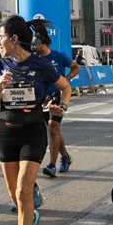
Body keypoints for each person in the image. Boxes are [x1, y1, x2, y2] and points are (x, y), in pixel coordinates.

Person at [0, 15, 71, 225]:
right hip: (6, 132)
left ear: (13, 39)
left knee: (24, 191)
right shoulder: (1, 65)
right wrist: (0, 88)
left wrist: (62, 108)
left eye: (1, 36)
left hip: (33, 132)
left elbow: (65, 87)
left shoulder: (42, 65)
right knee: (15, 196)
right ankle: (31, 215)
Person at [34, 25, 80, 178]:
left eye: (35, 44)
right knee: (53, 130)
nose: (33, 46)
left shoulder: (59, 57)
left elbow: (75, 67)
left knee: (53, 129)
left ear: (43, 44)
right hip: (42, 101)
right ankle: (66, 157)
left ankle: (52, 165)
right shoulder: (34, 59)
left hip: (57, 98)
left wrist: (66, 80)